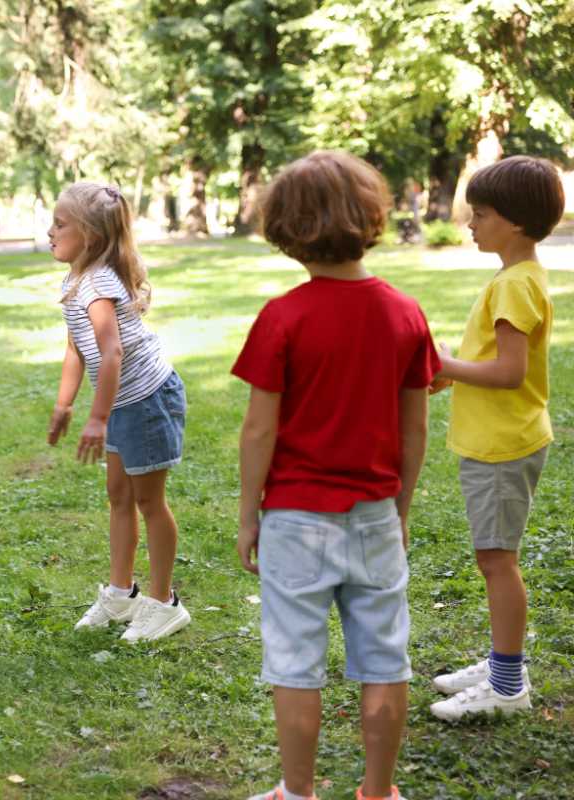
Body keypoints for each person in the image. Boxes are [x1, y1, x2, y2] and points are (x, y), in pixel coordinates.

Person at [233, 152, 439, 800]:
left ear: (287, 229)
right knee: (385, 658)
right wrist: (400, 509)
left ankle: (298, 792)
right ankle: (379, 792)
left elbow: (260, 430)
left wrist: (248, 515)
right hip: (375, 513)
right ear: (370, 217)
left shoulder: (283, 317)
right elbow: (415, 429)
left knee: (295, 663)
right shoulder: (405, 314)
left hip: (294, 518)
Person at [426, 156, 564, 722]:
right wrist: (452, 368)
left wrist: (448, 365)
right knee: (494, 558)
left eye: (480, 214)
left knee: (497, 561)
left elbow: (509, 373)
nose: (470, 224)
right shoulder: (520, 278)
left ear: (514, 221)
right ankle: (500, 662)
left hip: (504, 446)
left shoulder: (514, 286)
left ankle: (507, 684)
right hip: (501, 440)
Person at [46, 181, 191, 643]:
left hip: (146, 399)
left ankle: (164, 602)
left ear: (88, 235)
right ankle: (121, 593)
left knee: (149, 501)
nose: (50, 231)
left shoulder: (98, 283)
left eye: (60, 223)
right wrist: (65, 403)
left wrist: (97, 417)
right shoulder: (75, 280)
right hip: (122, 402)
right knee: (118, 495)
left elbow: (111, 354)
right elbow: (77, 348)